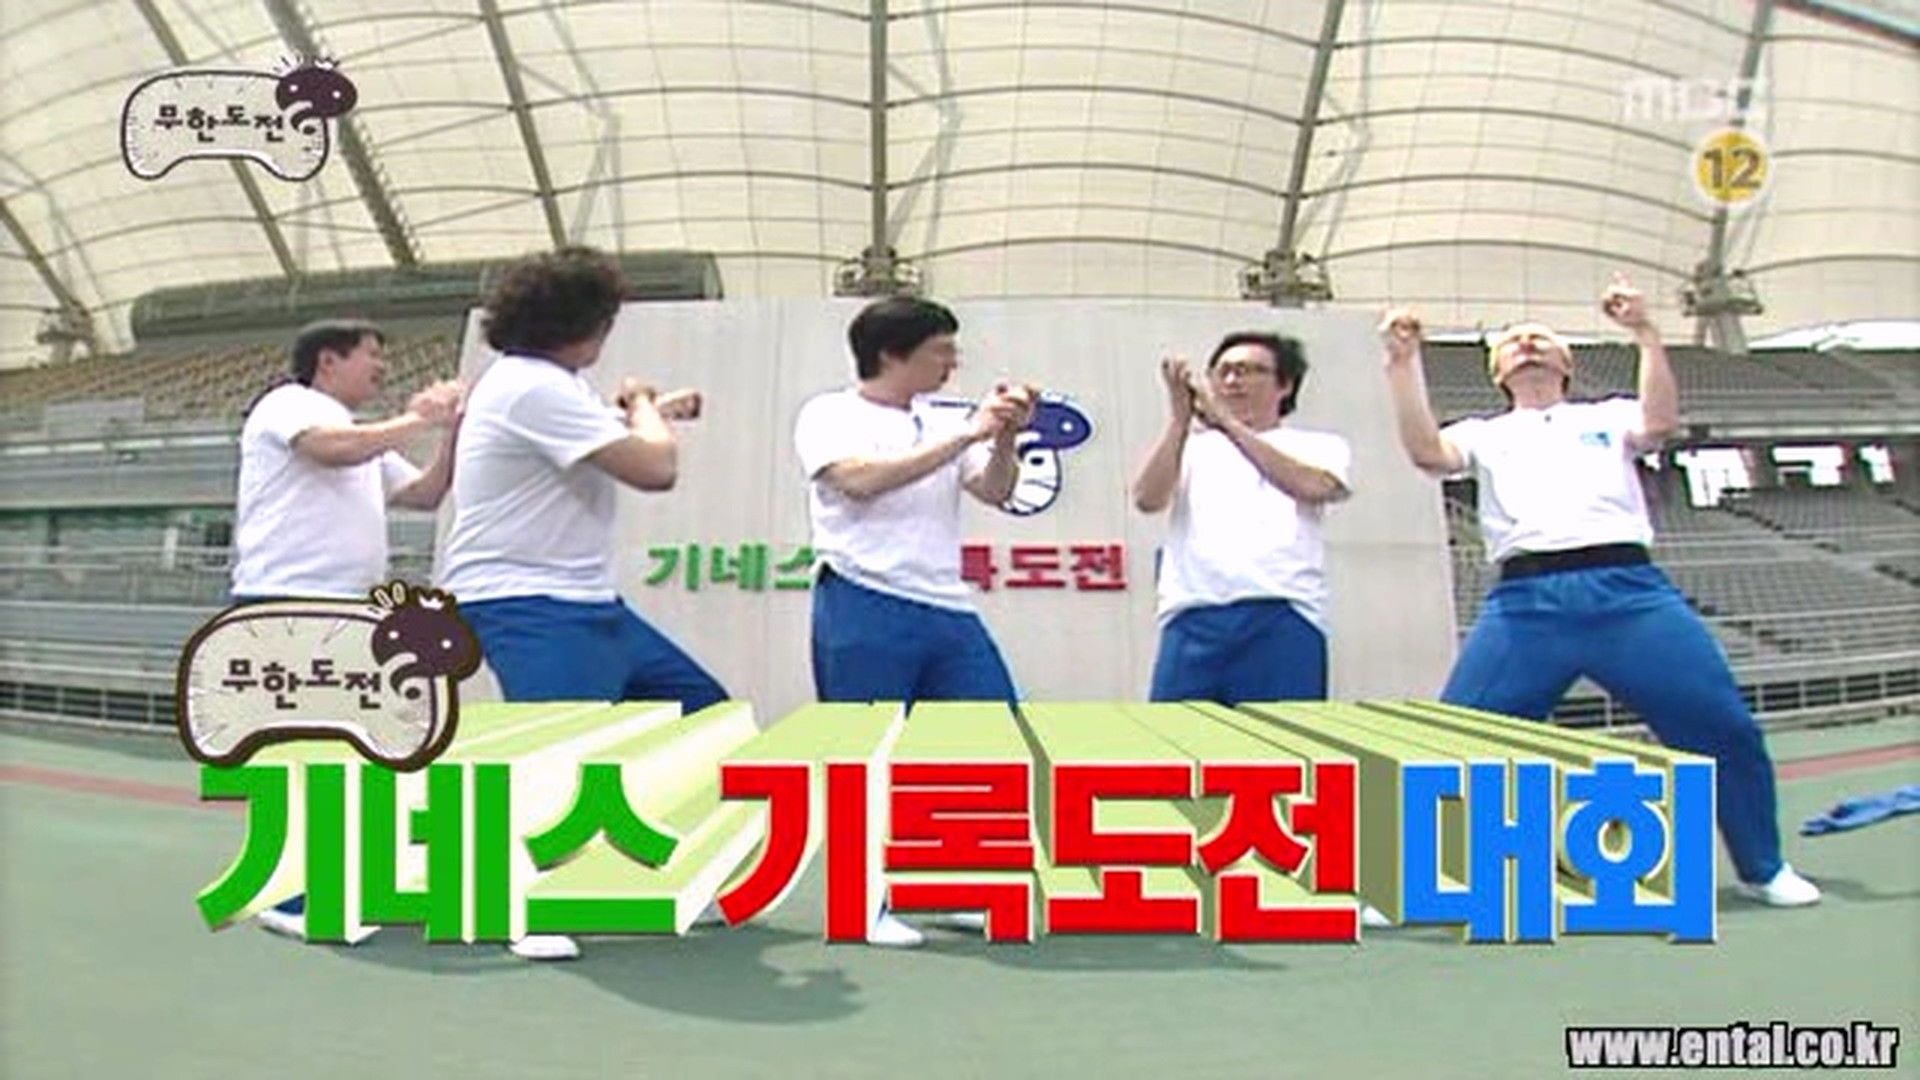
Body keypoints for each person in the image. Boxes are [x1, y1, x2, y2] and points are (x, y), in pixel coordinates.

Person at [1381, 273, 1819, 908]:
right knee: (1455, 742)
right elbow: (1427, 452)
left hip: (1628, 593)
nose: (1528, 343)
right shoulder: (1483, 432)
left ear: (1567, 364)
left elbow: (1660, 420)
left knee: (1720, 725)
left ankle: (1763, 867)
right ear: (1497, 372)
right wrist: (1402, 364)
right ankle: (1408, 880)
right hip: (1527, 601)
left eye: (1542, 338)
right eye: (1513, 341)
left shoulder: (1608, 416)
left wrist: (1645, 332)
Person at [437, 246, 726, 960]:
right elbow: (654, 467)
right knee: (554, 756)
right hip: (524, 600)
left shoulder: (539, 384)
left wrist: (653, 410)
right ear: (590, 325)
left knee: (702, 716)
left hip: (584, 601)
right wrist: (644, 406)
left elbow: (599, 431)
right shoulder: (533, 387)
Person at [792, 296, 1034, 947]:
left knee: (986, 741)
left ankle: (948, 884)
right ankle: (861, 903)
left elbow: (996, 490)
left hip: (946, 605)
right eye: (940, 351)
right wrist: (967, 435)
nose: (953, 363)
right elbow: (858, 481)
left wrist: (1004, 435)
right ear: (892, 354)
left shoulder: (943, 419)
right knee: (867, 757)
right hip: (862, 596)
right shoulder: (829, 413)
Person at [231, 318, 463, 942]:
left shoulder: (363, 438)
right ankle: (291, 898)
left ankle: (324, 884)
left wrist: (451, 432)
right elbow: (330, 449)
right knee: (310, 754)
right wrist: (419, 418)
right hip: (286, 601)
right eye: (371, 356)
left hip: (344, 610)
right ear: (328, 362)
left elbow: (424, 493)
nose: (382, 368)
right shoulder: (289, 405)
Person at [1132, 331, 1351, 704]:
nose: (1233, 381)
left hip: (1280, 613)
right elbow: (1147, 499)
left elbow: (1313, 486)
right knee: (1175, 736)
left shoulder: (1318, 445)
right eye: (1224, 372)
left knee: (1278, 738)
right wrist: (1179, 422)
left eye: (1249, 371)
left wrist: (1228, 426)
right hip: (1192, 615)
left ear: (1285, 385)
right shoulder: (1190, 449)